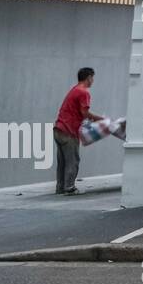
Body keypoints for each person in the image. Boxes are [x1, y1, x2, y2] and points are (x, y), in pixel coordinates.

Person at [54, 67, 103, 195]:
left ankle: (60, 187)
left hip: (59, 129)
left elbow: (79, 113)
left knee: (62, 162)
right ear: (89, 78)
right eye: (92, 78)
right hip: (69, 131)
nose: (93, 81)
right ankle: (69, 188)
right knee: (73, 161)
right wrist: (100, 119)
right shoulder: (83, 92)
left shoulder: (75, 89)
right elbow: (85, 112)